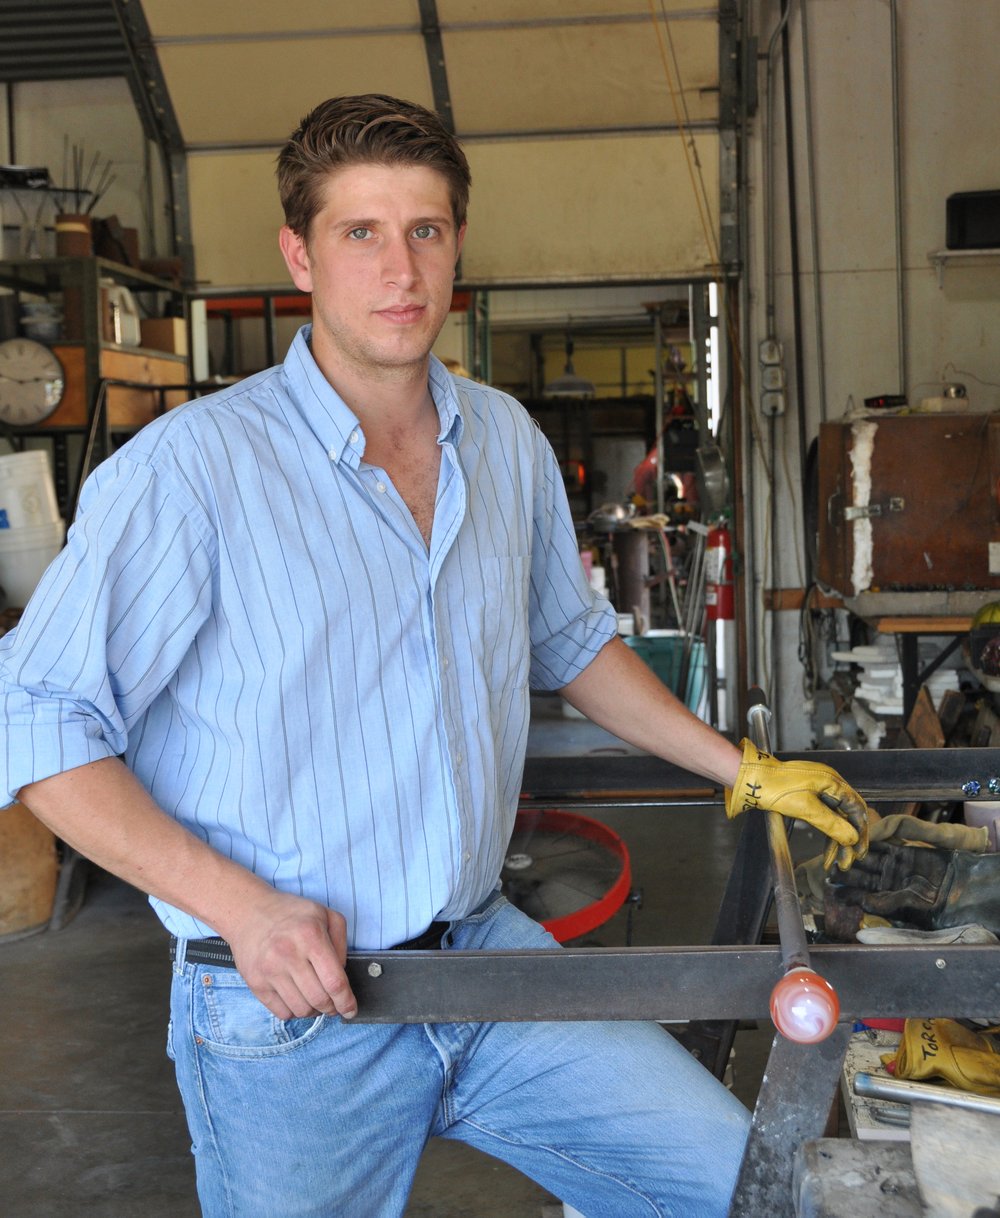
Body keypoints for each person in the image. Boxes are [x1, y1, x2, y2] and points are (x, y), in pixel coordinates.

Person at [0, 94, 870, 1218]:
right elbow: (42, 720)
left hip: (483, 959)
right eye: (358, 232)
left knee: (748, 1192)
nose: (398, 267)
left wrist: (736, 771)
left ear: (458, 244)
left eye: (426, 230)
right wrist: (242, 909)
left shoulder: (501, 438)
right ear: (297, 254)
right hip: (290, 1006)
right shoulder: (190, 474)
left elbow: (569, 642)